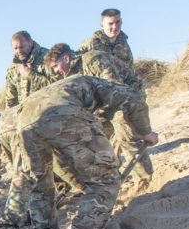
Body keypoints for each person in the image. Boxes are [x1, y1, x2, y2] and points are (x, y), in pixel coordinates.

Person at [17, 75, 157, 229]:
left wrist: (85, 186)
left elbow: (62, 165)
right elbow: (134, 99)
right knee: (106, 178)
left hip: (24, 121)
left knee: (41, 184)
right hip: (61, 114)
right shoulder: (98, 84)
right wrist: (146, 132)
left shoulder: (63, 88)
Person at [45, 43, 153, 183]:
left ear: (66, 58)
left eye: (55, 66)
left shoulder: (93, 59)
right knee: (95, 138)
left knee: (126, 131)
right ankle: (111, 177)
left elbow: (115, 87)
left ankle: (146, 179)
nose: (55, 71)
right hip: (105, 104)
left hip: (128, 96)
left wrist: (96, 112)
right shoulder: (70, 75)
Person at [4, 30, 53, 109]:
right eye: (15, 48)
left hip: (48, 113)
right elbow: (11, 101)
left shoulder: (48, 59)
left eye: (21, 47)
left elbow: (57, 86)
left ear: (30, 43)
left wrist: (31, 75)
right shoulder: (13, 69)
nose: (19, 51)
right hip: (25, 117)